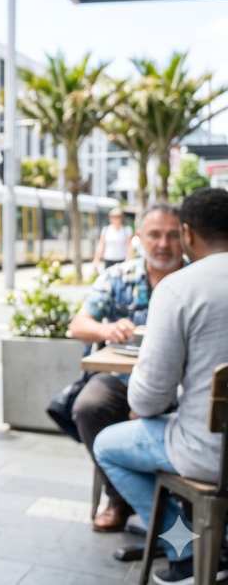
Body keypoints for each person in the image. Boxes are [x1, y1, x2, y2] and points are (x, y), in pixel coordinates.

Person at [94, 188, 228, 585]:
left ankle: (189, 552)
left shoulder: (181, 288)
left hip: (210, 453)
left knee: (107, 446)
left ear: (188, 234)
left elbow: (147, 399)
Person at [67, 202, 184, 532]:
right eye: (155, 235)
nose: (163, 244)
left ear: (187, 237)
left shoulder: (193, 278)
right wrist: (107, 330)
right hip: (123, 377)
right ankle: (119, 498)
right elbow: (78, 325)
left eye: (173, 235)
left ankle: (177, 518)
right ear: (139, 238)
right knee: (89, 407)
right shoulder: (119, 275)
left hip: (182, 384)